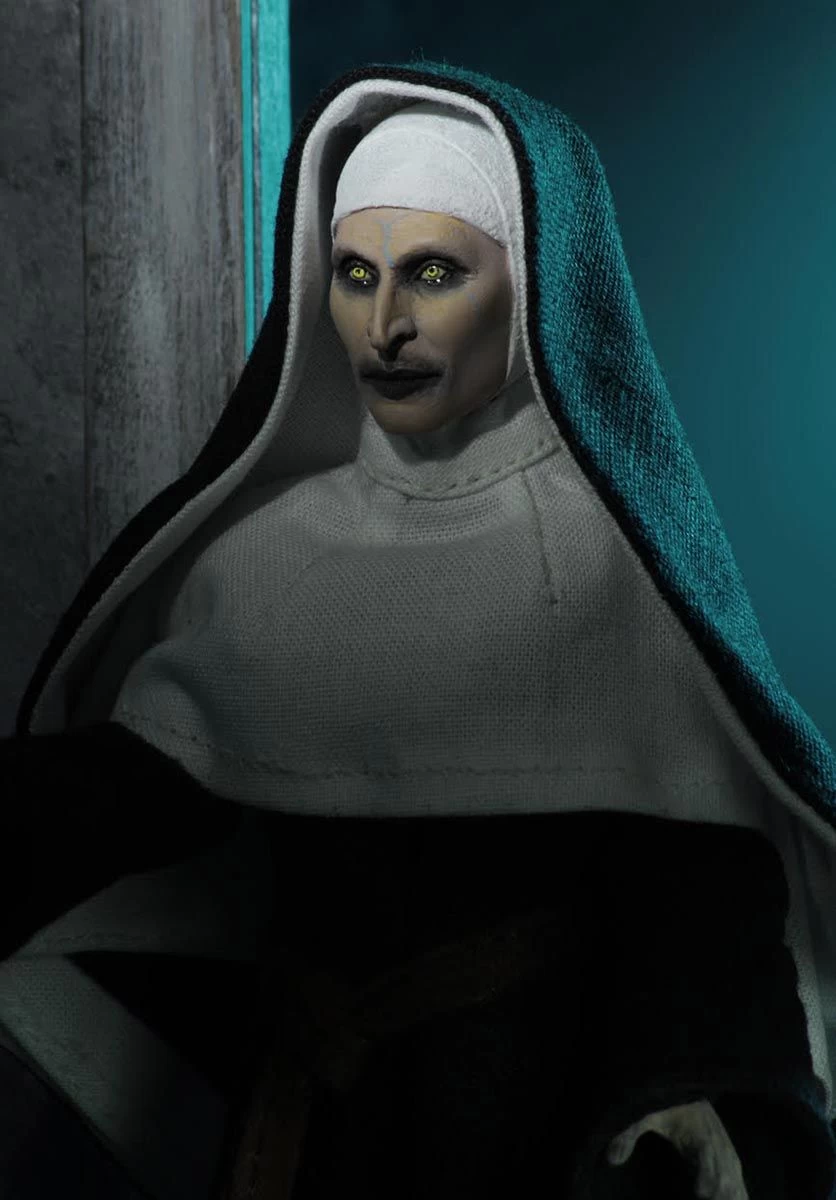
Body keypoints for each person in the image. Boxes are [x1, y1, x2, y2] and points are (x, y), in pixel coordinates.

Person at [2, 56, 836, 1200]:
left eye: (433, 273)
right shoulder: (263, 558)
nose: (385, 324)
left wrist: (697, 1089)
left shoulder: (606, 571)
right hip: (309, 1122)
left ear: (527, 284)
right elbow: (145, 793)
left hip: (539, 1121)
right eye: (355, 275)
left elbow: (693, 877)